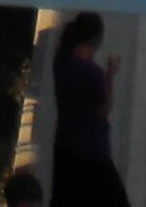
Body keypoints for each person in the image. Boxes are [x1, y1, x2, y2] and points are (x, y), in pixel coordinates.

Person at [50, 12, 131, 207]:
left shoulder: (60, 60)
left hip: (65, 144)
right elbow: (104, 111)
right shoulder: (92, 73)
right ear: (96, 41)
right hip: (91, 150)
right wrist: (110, 75)